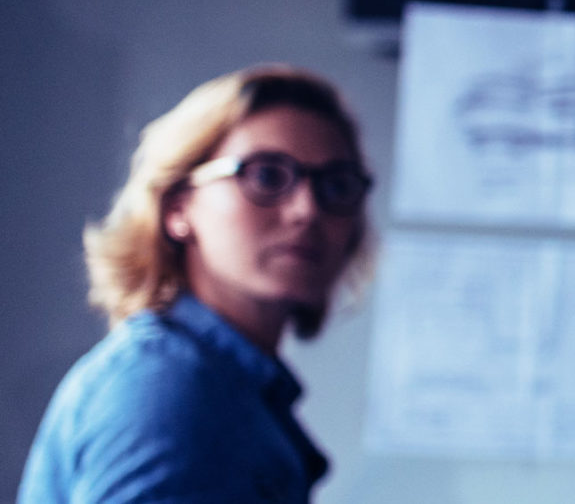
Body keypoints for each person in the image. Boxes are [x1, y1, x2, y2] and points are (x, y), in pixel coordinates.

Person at [19, 65, 372, 504]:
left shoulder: (228, 387)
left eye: (336, 186)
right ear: (177, 207)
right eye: (265, 175)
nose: (307, 210)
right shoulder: (168, 387)